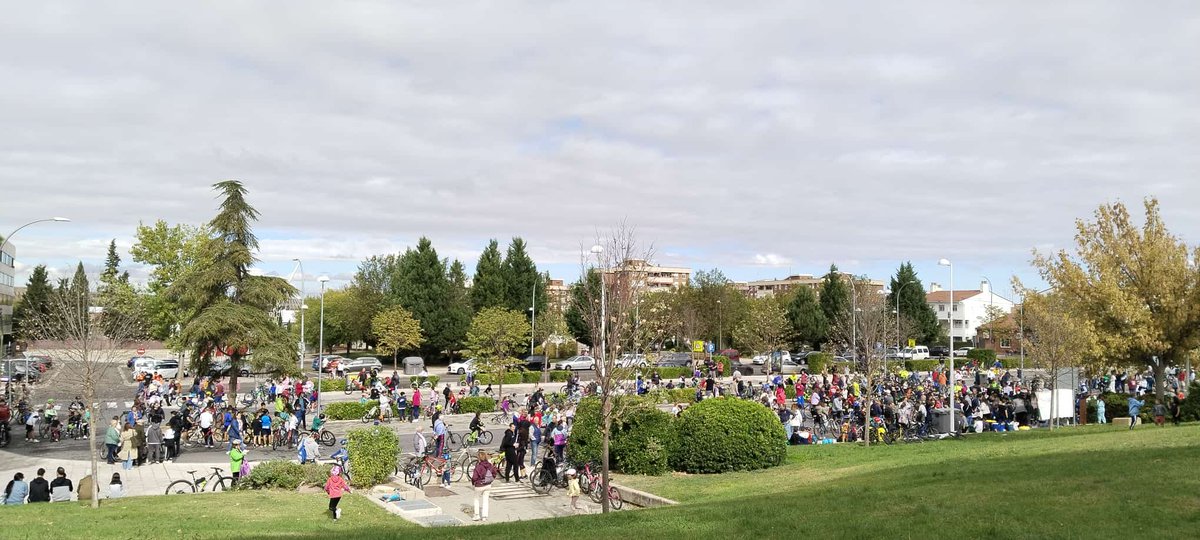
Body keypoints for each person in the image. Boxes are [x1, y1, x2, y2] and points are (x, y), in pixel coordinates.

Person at [470, 450, 498, 522]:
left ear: (479, 458)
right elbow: (494, 473)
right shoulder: (490, 465)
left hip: (479, 485)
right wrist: (491, 480)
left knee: (476, 499)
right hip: (488, 485)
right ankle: (484, 516)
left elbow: (474, 477)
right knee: (485, 501)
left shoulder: (478, 467)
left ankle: (477, 515)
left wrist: (473, 483)